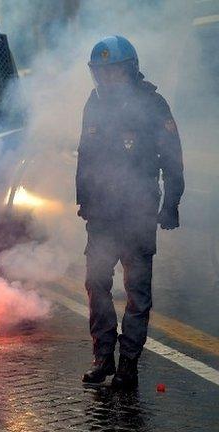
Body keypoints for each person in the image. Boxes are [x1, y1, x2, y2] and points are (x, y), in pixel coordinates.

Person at [77, 36, 184, 388]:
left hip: (137, 212)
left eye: (114, 72)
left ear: (131, 69)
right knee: (96, 284)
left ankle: (129, 365)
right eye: (101, 73)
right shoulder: (93, 103)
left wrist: (171, 204)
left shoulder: (153, 104)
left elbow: (172, 160)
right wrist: (83, 200)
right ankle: (103, 357)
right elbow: (86, 156)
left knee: (137, 292)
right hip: (102, 215)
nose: (107, 79)